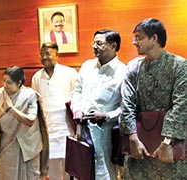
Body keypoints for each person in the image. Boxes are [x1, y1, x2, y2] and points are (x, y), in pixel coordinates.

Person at [120, 18, 187, 179]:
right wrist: (132, 137)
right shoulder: (133, 67)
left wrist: (167, 142)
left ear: (154, 38)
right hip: (139, 140)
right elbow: (126, 104)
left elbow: (181, 104)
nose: (134, 42)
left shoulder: (179, 65)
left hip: (170, 142)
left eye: (139, 37)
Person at [71, 29, 126, 179]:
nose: (94, 46)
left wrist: (107, 115)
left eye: (99, 43)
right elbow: (77, 92)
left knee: (104, 173)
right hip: (83, 130)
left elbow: (127, 107)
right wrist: (77, 110)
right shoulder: (87, 66)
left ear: (113, 46)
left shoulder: (123, 72)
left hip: (106, 133)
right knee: (80, 172)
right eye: (93, 42)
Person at [0, 66, 49, 180]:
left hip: (29, 146)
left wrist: (11, 108)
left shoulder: (30, 95)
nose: (5, 85)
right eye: (4, 80)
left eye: (9, 82)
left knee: (31, 176)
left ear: (19, 83)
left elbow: (30, 120)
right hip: (8, 145)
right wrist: (2, 110)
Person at [31, 42, 77, 180]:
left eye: (48, 53)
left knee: (69, 169)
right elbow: (35, 104)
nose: (44, 57)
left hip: (66, 129)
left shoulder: (70, 73)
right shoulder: (36, 77)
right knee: (52, 171)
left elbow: (77, 99)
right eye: (42, 54)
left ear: (57, 55)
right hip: (47, 130)